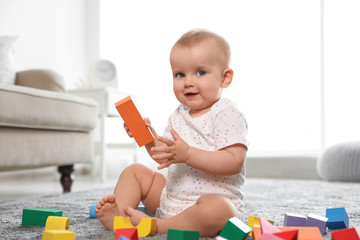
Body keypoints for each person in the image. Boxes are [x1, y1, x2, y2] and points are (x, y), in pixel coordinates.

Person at [95, 29, 249, 237]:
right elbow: (164, 154)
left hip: (209, 203)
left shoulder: (226, 112)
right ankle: (120, 217)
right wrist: (146, 136)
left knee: (221, 211)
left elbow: (234, 161)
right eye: (180, 74)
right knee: (135, 172)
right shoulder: (178, 115)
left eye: (200, 72)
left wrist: (188, 155)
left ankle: (157, 226)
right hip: (171, 199)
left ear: (225, 78)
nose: (188, 82)